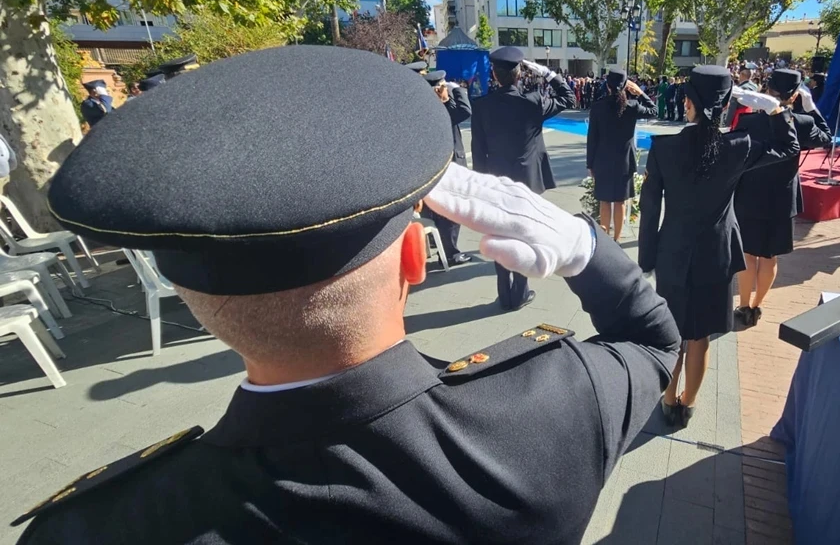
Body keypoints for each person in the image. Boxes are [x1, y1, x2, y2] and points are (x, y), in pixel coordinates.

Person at [16, 46, 682, 544]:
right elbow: (655, 342)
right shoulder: (554, 411)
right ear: (415, 260)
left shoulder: (94, 528)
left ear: (191, 297)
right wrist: (583, 244)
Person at [638, 65, 798, 427]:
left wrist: (646, 259)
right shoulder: (738, 146)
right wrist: (777, 111)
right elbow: (789, 147)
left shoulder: (664, 149)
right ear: (727, 105)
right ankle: (688, 403)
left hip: (673, 254)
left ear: (688, 104)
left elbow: (650, 212)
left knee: (673, 334)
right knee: (700, 337)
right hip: (717, 254)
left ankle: (667, 399)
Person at [470, 46, 575, 311]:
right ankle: (520, 291)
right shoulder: (533, 101)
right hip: (527, 180)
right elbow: (569, 98)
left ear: (494, 74)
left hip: (496, 180)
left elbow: (478, 149)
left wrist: (482, 184)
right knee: (523, 236)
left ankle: (505, 294)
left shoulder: (482, 106)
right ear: (520, 74)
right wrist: (549, 73)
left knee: (500, 234)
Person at [733, 70, 816, 327]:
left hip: (751, 194)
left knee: (748, 254)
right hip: (782, 197)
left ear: (767, 90)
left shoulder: (751, 122)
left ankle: (744, 305)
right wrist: (811, 108)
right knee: (769, 257)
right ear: (795, 94)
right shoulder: (802, 122)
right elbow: (825, 135)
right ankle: (758, 306)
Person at [586, 68, 657, 240]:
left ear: (607, 85)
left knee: (604, 201)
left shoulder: (598, 106)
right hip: (624, 161)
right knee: (620, 201)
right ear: (626, 85)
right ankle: (616, 239)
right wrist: (640, 93)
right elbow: (653, 110)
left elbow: (592, 138)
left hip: (602, 161)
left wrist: (590, 164)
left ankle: (605, 240)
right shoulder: (631, 106)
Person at [421, 69, 473, 266]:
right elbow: (465, 110)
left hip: (432, 168)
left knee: (433, 209)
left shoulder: (425, 109)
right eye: (443, 87)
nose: (446, 90)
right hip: (448, 167)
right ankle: (451, 252)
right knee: (452, 210)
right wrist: (458, 90)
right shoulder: (440, 111)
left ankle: (439, 246)